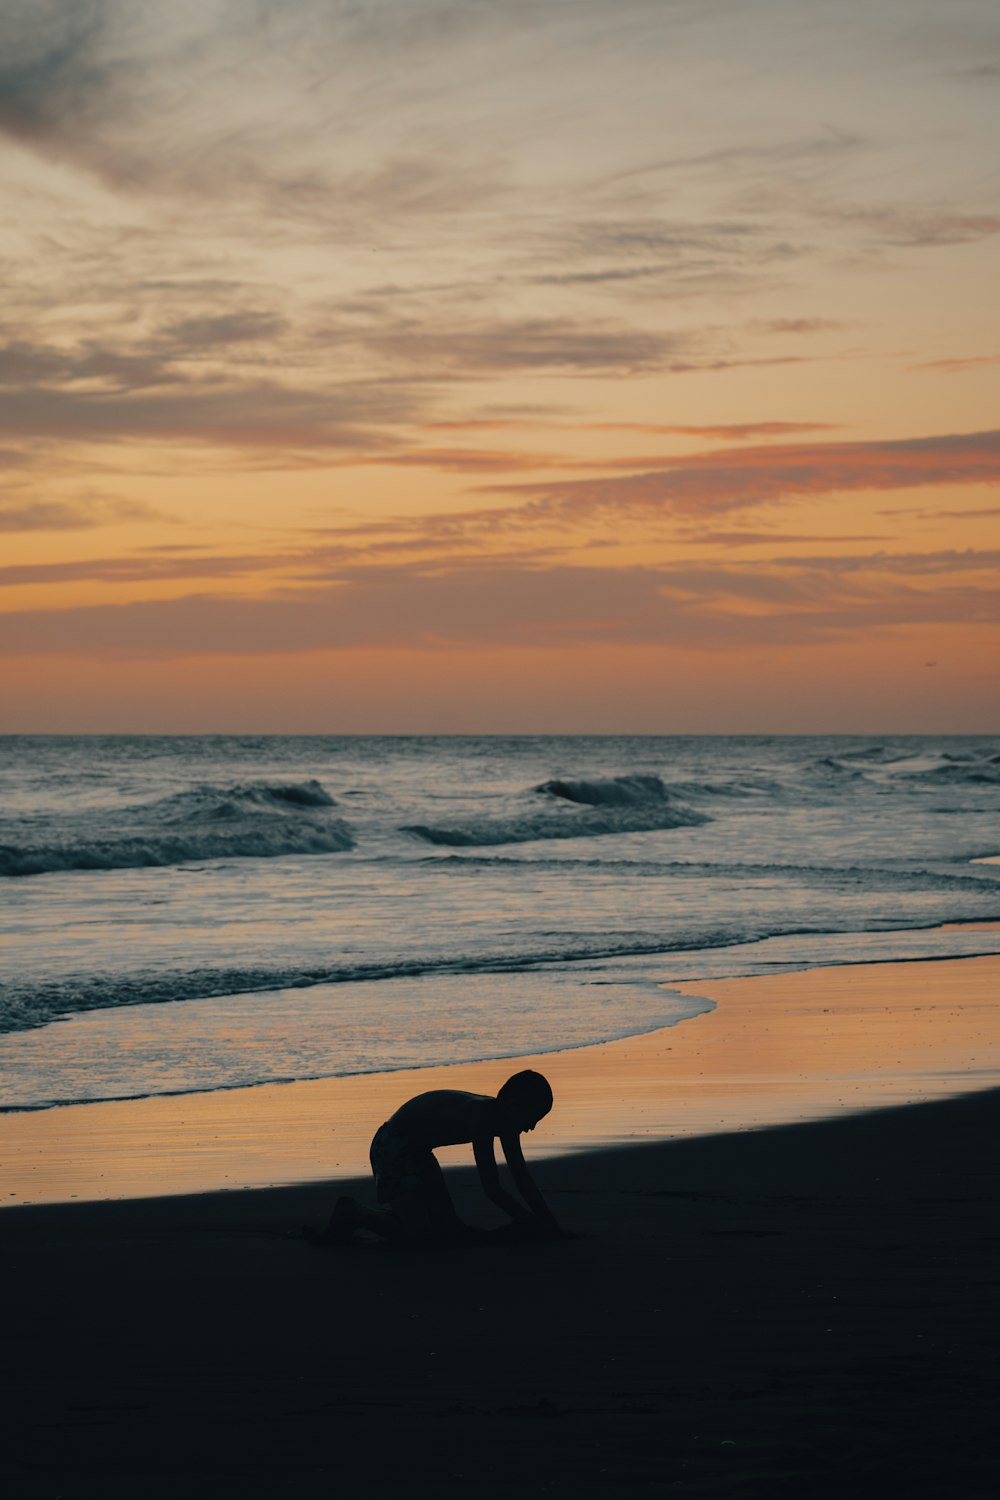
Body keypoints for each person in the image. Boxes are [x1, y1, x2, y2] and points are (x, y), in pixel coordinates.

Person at [321, 1070, 563, 1246]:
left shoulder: (506, 1121)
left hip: (419, 1153)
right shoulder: (481, 1117)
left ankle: (403, 1218)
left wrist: (552, 1226)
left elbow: (521, 1177)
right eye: (532, 1118)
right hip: (393, 1147)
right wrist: (531, 1223)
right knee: (422, 1239)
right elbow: (492, 1189)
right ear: (512, 1104)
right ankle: (356, 1212)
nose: (531, 1127)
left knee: (449, 1233)